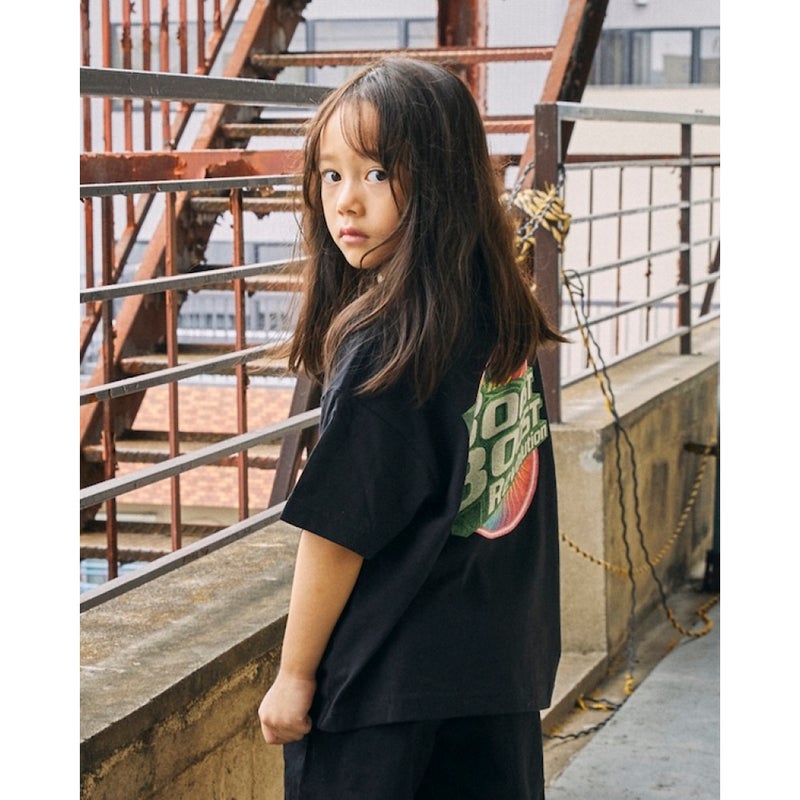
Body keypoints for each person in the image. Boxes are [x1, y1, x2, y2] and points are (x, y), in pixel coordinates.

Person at [258, 56, 565, 799]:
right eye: (331, 175)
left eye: (376, 173)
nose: (346, 201)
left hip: (386, 693)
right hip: (494, 671)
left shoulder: (389, 343)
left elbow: (338, 531)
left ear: (439, 180)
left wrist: (294, 675)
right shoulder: (498, 312)